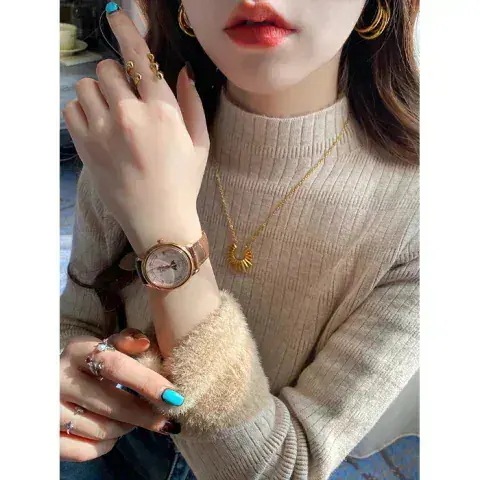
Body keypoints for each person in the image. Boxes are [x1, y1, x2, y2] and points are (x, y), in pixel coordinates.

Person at [60, 0, 419, 479]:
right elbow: (76, 318)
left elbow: (286, 469)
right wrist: (69, 367)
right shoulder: (133, 139)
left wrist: (165, 226)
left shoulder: (422, 211)